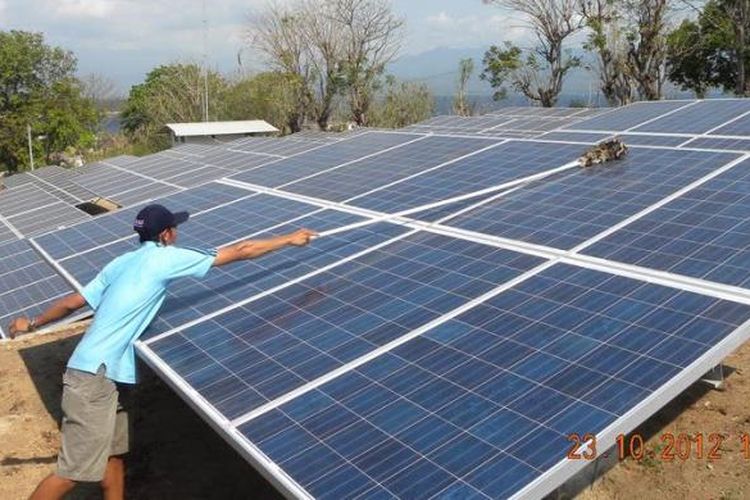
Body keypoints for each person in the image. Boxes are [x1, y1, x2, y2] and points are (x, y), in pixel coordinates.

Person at [8, 204, 317, 500]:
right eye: (175, 228)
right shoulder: (164, 259)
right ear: (166, 235)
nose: (177, 233)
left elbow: (73, 302)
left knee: (113, 458)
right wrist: (289, 239)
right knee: (73, 472)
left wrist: (33, 322)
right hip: (93, 379)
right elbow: (240, 250)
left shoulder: (121, 262)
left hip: (106, 374)